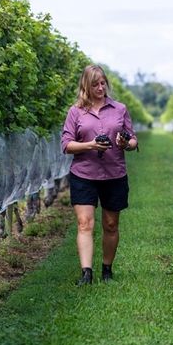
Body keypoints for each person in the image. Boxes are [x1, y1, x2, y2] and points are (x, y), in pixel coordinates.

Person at [61, 64, 139, 285]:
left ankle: (107, 269)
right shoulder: (76, 112)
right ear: (86, 85)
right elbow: (66, 145)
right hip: (84, 174)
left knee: (111, 224)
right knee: (85, 223)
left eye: (103, 83)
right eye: (95, 84)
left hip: (114, 174)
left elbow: (133, 140)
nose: (100, 87)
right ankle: (86, 273)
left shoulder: (119, 109)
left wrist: (125, 142)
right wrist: (91, 145)